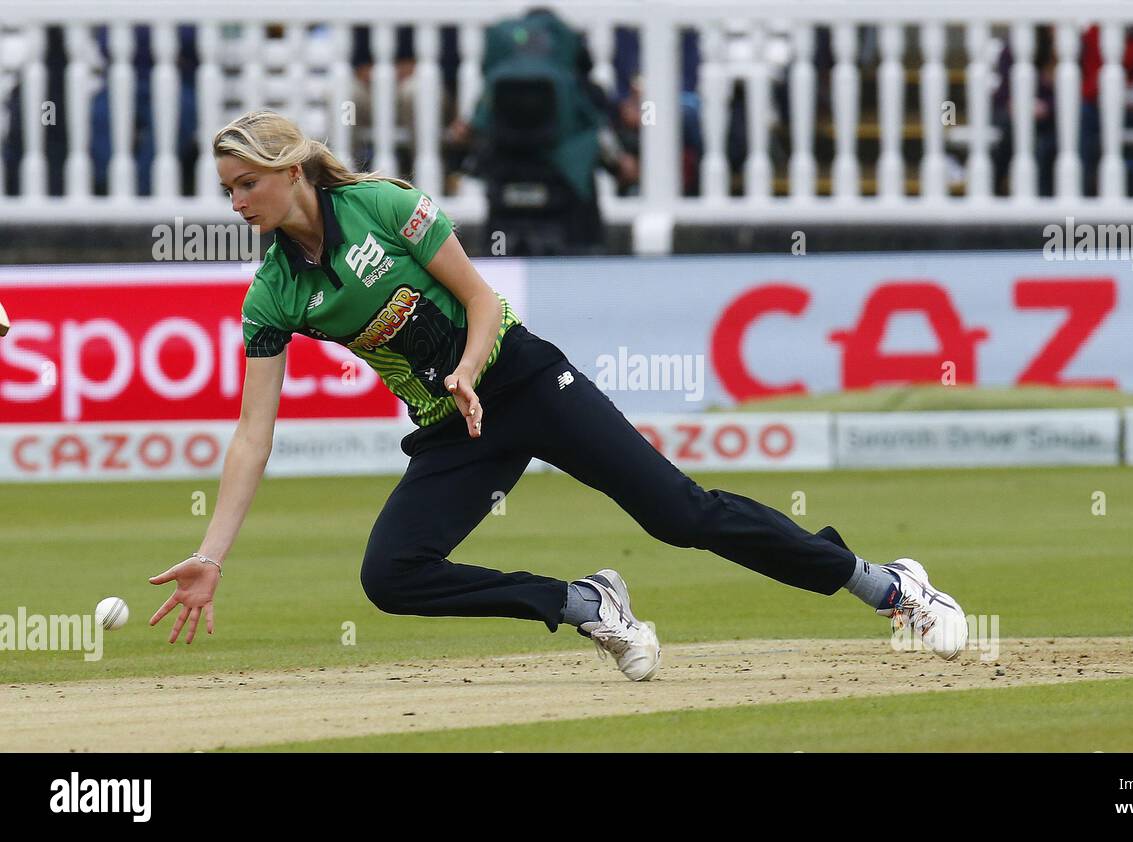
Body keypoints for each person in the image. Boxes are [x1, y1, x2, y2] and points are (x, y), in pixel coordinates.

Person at [146, 109, 969, 680]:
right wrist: (212, 555)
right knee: (392, 576)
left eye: (245, 182)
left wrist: (469, 371)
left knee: (680, 516)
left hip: (527, 380)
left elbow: (481, 302)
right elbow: (254, 433)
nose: (235, 201)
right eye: (227, 189)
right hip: (454, 430)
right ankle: (585, 603)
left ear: (290, 172)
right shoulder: (271, 295)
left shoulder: (382, 207)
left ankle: (889, 586)